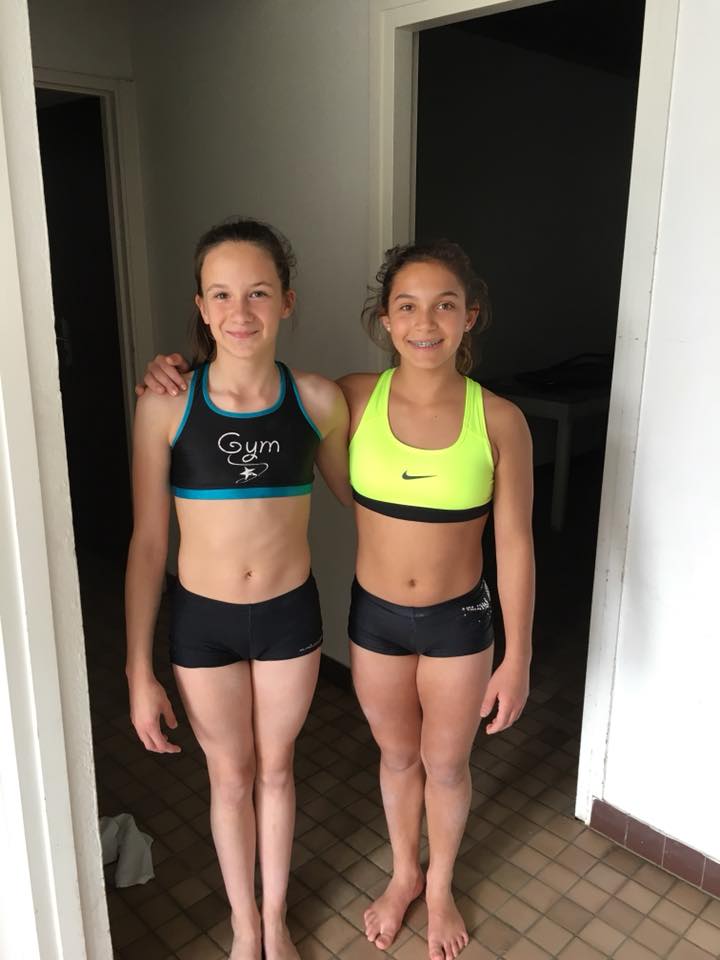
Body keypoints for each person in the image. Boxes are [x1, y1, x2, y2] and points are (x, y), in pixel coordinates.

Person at [139, 239, 534, 960]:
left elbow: (507, 542)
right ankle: (358, 891)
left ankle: (433, 889)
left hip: (444, 619)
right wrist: (168, 369)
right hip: (357, 618)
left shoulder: (475, 416)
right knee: (379, 760)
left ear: (470, 315)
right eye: (406, 306)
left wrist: (519, 656)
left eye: (444, 305)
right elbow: (250, 413)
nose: (424, 323)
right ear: (384, 319)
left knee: (441, 765)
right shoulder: (347, 397)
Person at [125, 217, 350, 960]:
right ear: (200, 305)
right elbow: (148, 543)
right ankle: (243, 925)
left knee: (277, 771)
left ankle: (276, 919)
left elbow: (365, 499)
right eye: (221, 294)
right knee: (230, 777)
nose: (240, 310)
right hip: (203, 624)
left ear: (287, 300)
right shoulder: (166, 403)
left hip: (289, 616)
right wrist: (137, 671)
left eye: (258, 291)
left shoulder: (317, 401)